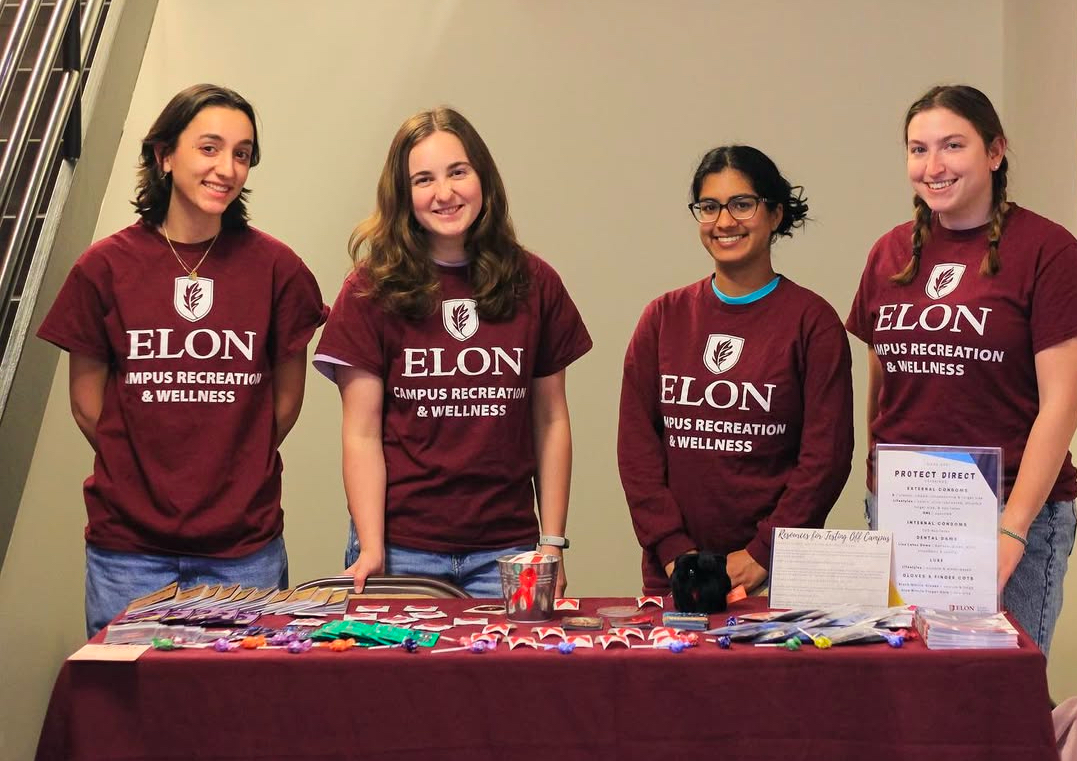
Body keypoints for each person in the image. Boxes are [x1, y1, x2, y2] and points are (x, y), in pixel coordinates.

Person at [37, 84, 328, 637]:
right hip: (128, 551)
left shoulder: (278, 269)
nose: (227, 168)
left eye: (242, 154)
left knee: (245, 691)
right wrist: (143, 469)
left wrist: (234, 464)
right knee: (130, 691)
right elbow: (86, 403)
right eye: (209, 148)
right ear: (164, 155)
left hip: (244, 549)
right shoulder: (105, 268)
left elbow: (286, 401)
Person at [845, 85, 1077, 657]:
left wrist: (1013, 530)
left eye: (952, 146)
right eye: (918, 149)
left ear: (994, 151)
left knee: (995, 697)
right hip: (904, 514)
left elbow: (1061, 407)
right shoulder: (889, 253)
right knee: (904, 691)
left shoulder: (1048, 252)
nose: (933, 166)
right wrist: (877, 484)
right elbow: (881, 382)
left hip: (1008, 514)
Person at [314, 107, 591, 598]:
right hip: (401, 550)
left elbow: (551, 420)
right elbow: (361, 433)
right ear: (403, 195)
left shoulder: (534, 282)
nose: (444, 193)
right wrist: (372, 548)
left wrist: (551, 544)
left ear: (483, 177)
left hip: (509, 552)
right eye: (424, 179)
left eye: (458, 172)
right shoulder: (369, 290)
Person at [618, 145, 854, 596]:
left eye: (742, 204)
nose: (724, 221)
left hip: (775, 572)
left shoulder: (812, 322)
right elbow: (637, 449)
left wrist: (763, 552)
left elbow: (826, 458)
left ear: (776, 214)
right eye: (709, 207)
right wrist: (674, 550)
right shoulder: (663, 318)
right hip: (676, 572)